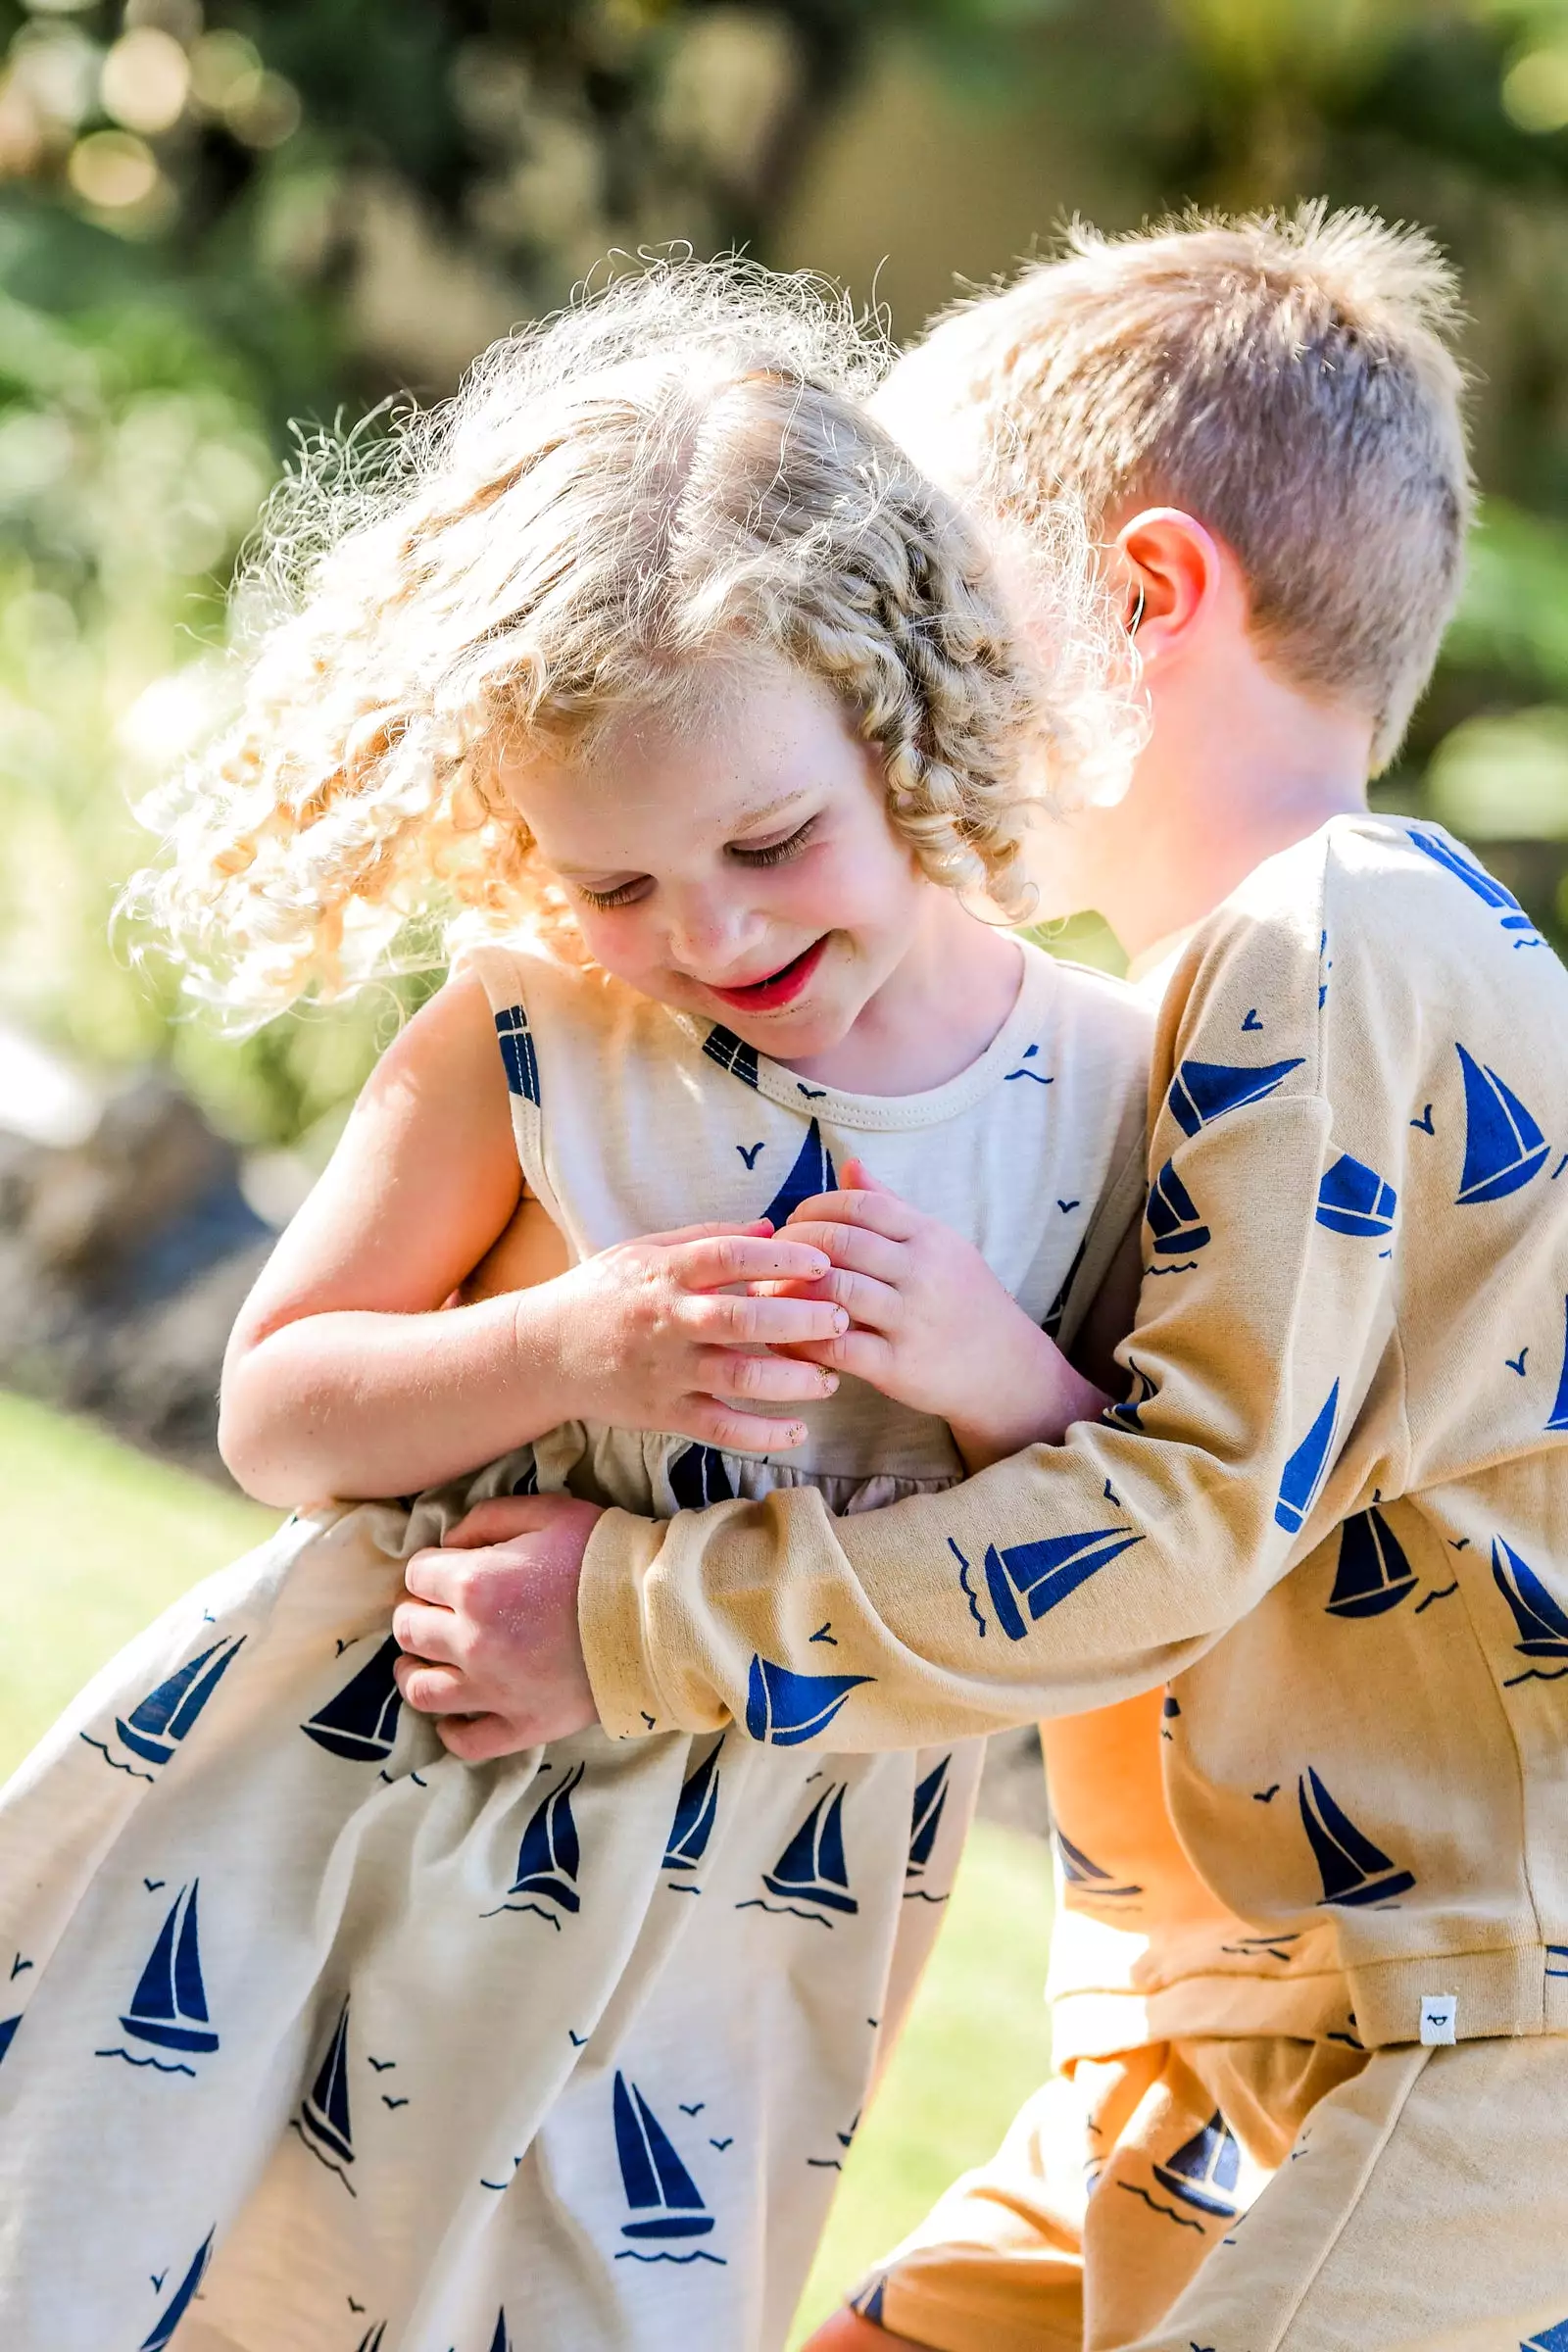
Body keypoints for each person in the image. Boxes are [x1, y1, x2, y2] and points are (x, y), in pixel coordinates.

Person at [404, 210, 1568, 2349]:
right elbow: (1221, 1514)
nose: (881, 672)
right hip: (1217, 2045)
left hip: (1472, 2051)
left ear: (1143, 590)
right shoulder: (1187, 1029)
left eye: (926, 591)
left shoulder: (1339, 937)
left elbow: (1160, 1533)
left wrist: (620, 1622)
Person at [0, 262, 1154, 2352]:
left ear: (905, 720)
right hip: (339, 1815)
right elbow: (282, 1408)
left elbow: (1128, 1557)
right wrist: (560, 1345)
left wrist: (998, 1374)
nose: (701, 929)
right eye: (613, 882)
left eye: (769, 839)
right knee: (140, 2272)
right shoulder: (532, 1032)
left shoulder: (1108, 1089)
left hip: (730, 1938)